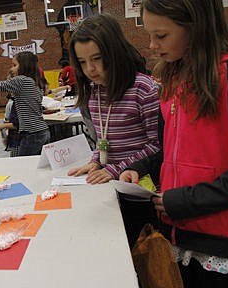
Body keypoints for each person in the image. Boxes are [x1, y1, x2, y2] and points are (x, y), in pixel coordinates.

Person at [120, 0, 228, 286]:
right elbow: (169, 147)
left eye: (161, 36)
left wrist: (185, 200)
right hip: (178, 238)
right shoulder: (172, 81)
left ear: (196, 27)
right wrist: (140, 167)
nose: (151, 45)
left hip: (224, 246)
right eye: (149, 35)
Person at [67, 13, 160, 185]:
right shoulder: (94, 91)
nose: (90, 69)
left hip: (142, 184)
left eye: (96, 58)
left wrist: (116, 169)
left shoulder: (143, 89)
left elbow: (157, 146)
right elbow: (103, 141)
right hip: (110, 184)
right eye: (82, 62)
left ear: (115, 52)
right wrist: (95, 161)